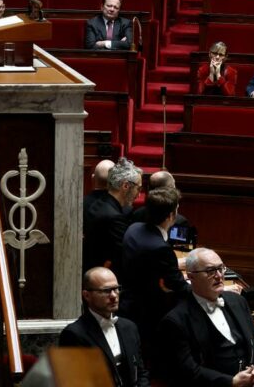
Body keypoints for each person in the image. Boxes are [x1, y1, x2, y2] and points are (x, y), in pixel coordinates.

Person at [157, 248, 254, 387]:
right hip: (217, 384)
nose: (219, 276)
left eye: (221, 268)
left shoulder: (238, 301)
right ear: (191, 276)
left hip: (251, 381)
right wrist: (232, 382)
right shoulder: (176, 321)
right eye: (210, 271)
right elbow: (188, 371)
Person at [120, 187, 191, 357]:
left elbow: (148, 263)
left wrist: (178, 263)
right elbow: (178, 286)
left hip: (127, 301)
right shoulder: (160, 248)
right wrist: (216, 290)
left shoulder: (134, 229)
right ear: (171, 216)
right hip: (150, 311)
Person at [59, 267, 149, 387]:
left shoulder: (129, 327)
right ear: (86, 295)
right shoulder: (73, 334)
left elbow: (141, 372)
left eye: (116, 289)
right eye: (106, 291)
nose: (113, 296)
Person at [83, 157, 140, 274]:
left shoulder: (100, 203)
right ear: (125, 186)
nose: (138, 194)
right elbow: (124, 256)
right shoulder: (114, 217)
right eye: (138, 188)